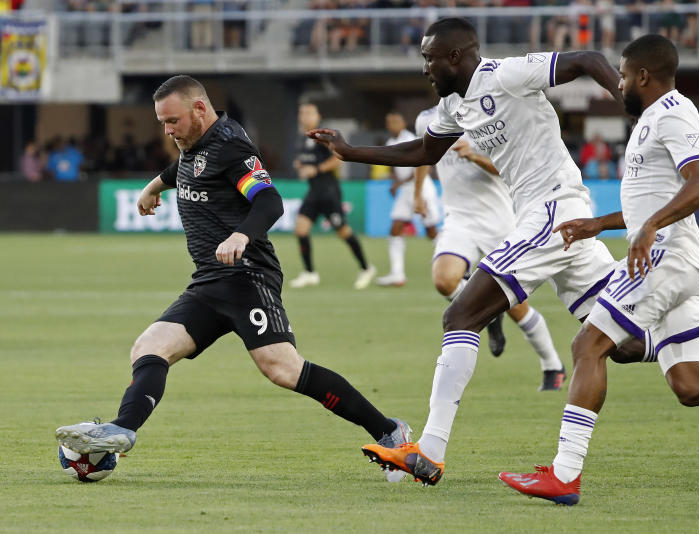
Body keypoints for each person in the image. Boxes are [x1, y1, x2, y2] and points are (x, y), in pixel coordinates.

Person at [309, 18, 699, 487]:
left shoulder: (508, 74)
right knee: (621, 344)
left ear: (454, 56)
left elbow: (586, 58)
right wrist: (353, 152)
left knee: (461, 316)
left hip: (552, 209)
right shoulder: (454, 105)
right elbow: (425, 152)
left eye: (429, 59)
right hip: (554, 221)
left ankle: (429, 451)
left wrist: (632, 105)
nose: (424, 69)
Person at [55, 76, 410, 479]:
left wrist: (241, 235)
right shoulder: (194, 143)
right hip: (209, 283)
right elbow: (186, 168)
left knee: (283, 369)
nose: (167, 131)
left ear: (199, 109)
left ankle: (389, 431)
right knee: (149, 347)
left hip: (247, 278)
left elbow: (270, 201)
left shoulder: (231, 147)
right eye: (162, 122)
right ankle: (123, 429)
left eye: (172, 121)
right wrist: (154, 186)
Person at [498, 35, 699, 505]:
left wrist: (652, 227)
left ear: (642, 75)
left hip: (666, 257)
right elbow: (650, 204)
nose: (617, 84)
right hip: (672, 256)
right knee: (692, 386)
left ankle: (564, 475)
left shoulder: (675, 112)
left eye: (621, 75)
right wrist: (599, 224)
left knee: (588, 345)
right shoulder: (650, 120)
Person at [413, 105, 566, 387]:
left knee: (517, 308)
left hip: (499, 222)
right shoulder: (427, 119)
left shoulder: (490, 114)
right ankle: (491, 315)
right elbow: (424, 155)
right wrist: (418, 193)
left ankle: (552, 366)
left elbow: (511, 170)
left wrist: (473, 156)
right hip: (458, 219)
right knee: (444, 281)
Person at [288, 103, 376, 290]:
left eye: (309, 113)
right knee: (301, 230)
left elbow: (338, 158)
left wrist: (316, 169)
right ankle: (310, 273)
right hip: (314, 192)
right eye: (302, 113)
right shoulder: (301, 138)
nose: (305, 116)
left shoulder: (323, 136)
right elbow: (305, 160)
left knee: (343, 231)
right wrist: (300, 165)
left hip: (329, 192)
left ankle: (366, 268)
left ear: (318, 116)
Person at [375, 110, 440, 287]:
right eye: (390, 122)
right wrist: (395, 182)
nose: (393, 124)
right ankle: (397, 274)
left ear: (403, 123)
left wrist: (399, 183)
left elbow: (421, 165)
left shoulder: (411, 138)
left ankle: (453, 264)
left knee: (431, 230)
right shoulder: (390, 142)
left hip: (422, 187)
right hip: (405, 191)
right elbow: (394, 167)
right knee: (395, 228)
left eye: (396, 121)